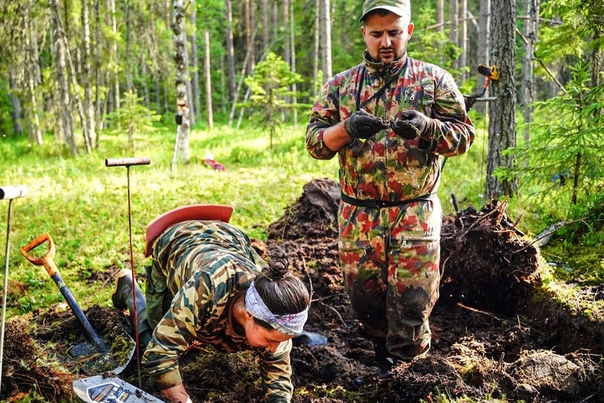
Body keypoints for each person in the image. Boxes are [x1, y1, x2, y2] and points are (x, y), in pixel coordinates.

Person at [305, 0, 475, 376]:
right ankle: (383, 358)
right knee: (365, 299)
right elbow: (315, 143)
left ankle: (407, 372)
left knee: (412, 301)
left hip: (414, 210)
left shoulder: (434, 80)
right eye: (377, 33)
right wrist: (345, 129)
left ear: (408, 32)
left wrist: (429, 129)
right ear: (364, 34)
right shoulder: (340, 86)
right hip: (358, 213)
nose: (386, 42)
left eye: (394, 32)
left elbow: (464, 137)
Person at [112, 220, 311, 403]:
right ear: (249, 315)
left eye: (281, 340)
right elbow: (160, 354)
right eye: (270, 340)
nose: (274, 348)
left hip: (230, 239)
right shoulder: (206, 289)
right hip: (178, 241)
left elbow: (278, 376)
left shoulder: (274, 307)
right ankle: (129, 289)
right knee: (153, 337)